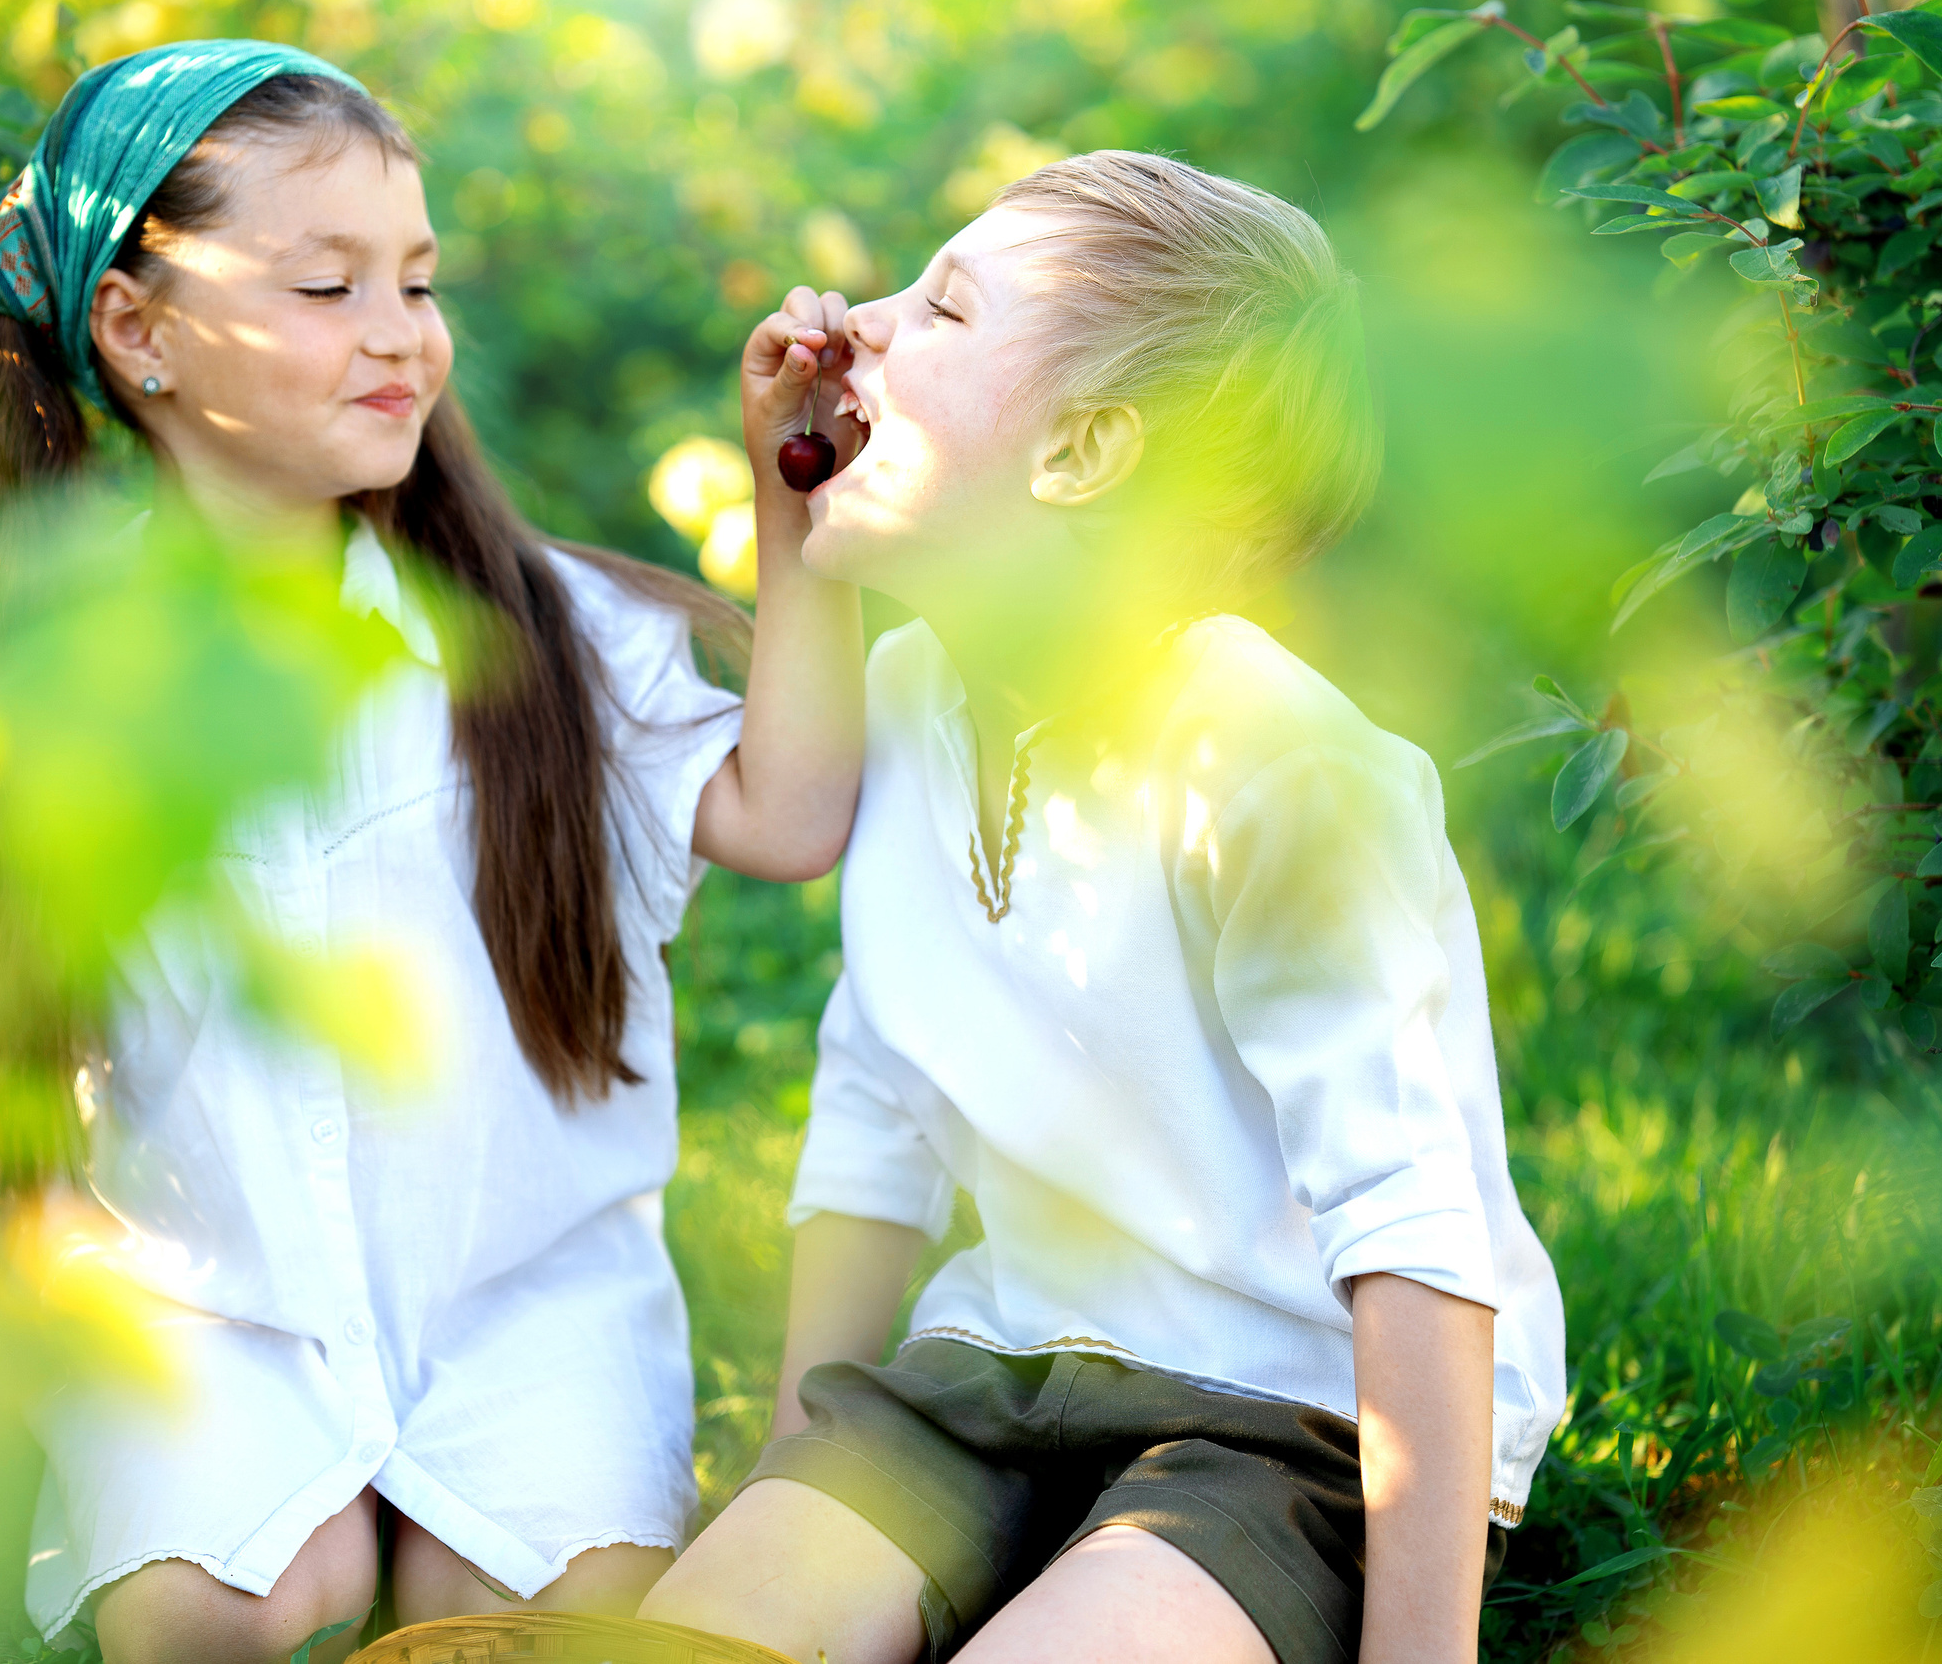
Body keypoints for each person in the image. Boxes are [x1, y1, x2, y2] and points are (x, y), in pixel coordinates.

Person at [0, 42, 864, 1664]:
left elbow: (793, 813)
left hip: (527, 1302)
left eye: (418, 280)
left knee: (533, 1629)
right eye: (328, 287)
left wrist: (794, 499)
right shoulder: (14, 680)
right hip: (203, 1304)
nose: (400, 333)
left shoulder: (543, 633)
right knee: (219, 1616)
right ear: (137, 332)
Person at [639, 150, 1566, 1664]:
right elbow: (875, 1119)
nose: (857, 325)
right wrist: (799, 1479)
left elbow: (1416, 1236)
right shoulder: (907, 697)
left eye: (942, 307)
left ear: (1080, 455)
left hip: (1286, 1419)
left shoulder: (1281, 765)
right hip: (997, 1375)